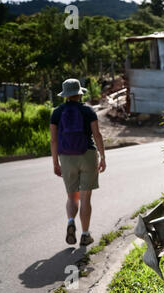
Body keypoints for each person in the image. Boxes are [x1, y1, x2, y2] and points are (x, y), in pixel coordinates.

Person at [50, 78, 106, 246]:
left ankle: (70, 222)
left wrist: (55, 163)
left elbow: (53, 140)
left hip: (66, 157)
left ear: (65, 95)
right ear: (79, 94)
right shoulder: (88, 111)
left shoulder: (57, 112)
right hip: (87, 155)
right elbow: (97, 135)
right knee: (85, 198)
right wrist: (102, 157)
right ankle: (85, 234)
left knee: (72, 197)